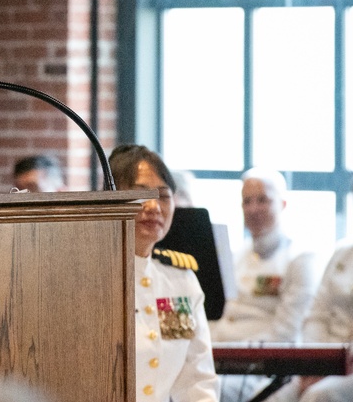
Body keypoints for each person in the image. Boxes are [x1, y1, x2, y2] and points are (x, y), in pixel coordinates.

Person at [109, 144, 219, 402]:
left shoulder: (179, 281)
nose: (154, 206)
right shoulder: (87, 278)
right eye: (141, 194)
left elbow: (196, 378)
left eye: (163, 195)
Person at [211, 168, 319, 401]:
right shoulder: (235, 255)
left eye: (263, 200)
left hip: (264, 367)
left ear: (283, 204)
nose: (253, 209)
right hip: (219, 358)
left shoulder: (300, 258)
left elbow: (285, 333)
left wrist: (234, 356)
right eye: (246, 201)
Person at [262, 242, 353, 402]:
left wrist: (334, 367)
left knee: (320, 395)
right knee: (273, 396)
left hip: (349, 366)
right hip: (327, 359)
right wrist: (315, 364)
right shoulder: (343, 253)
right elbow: (317, 314)